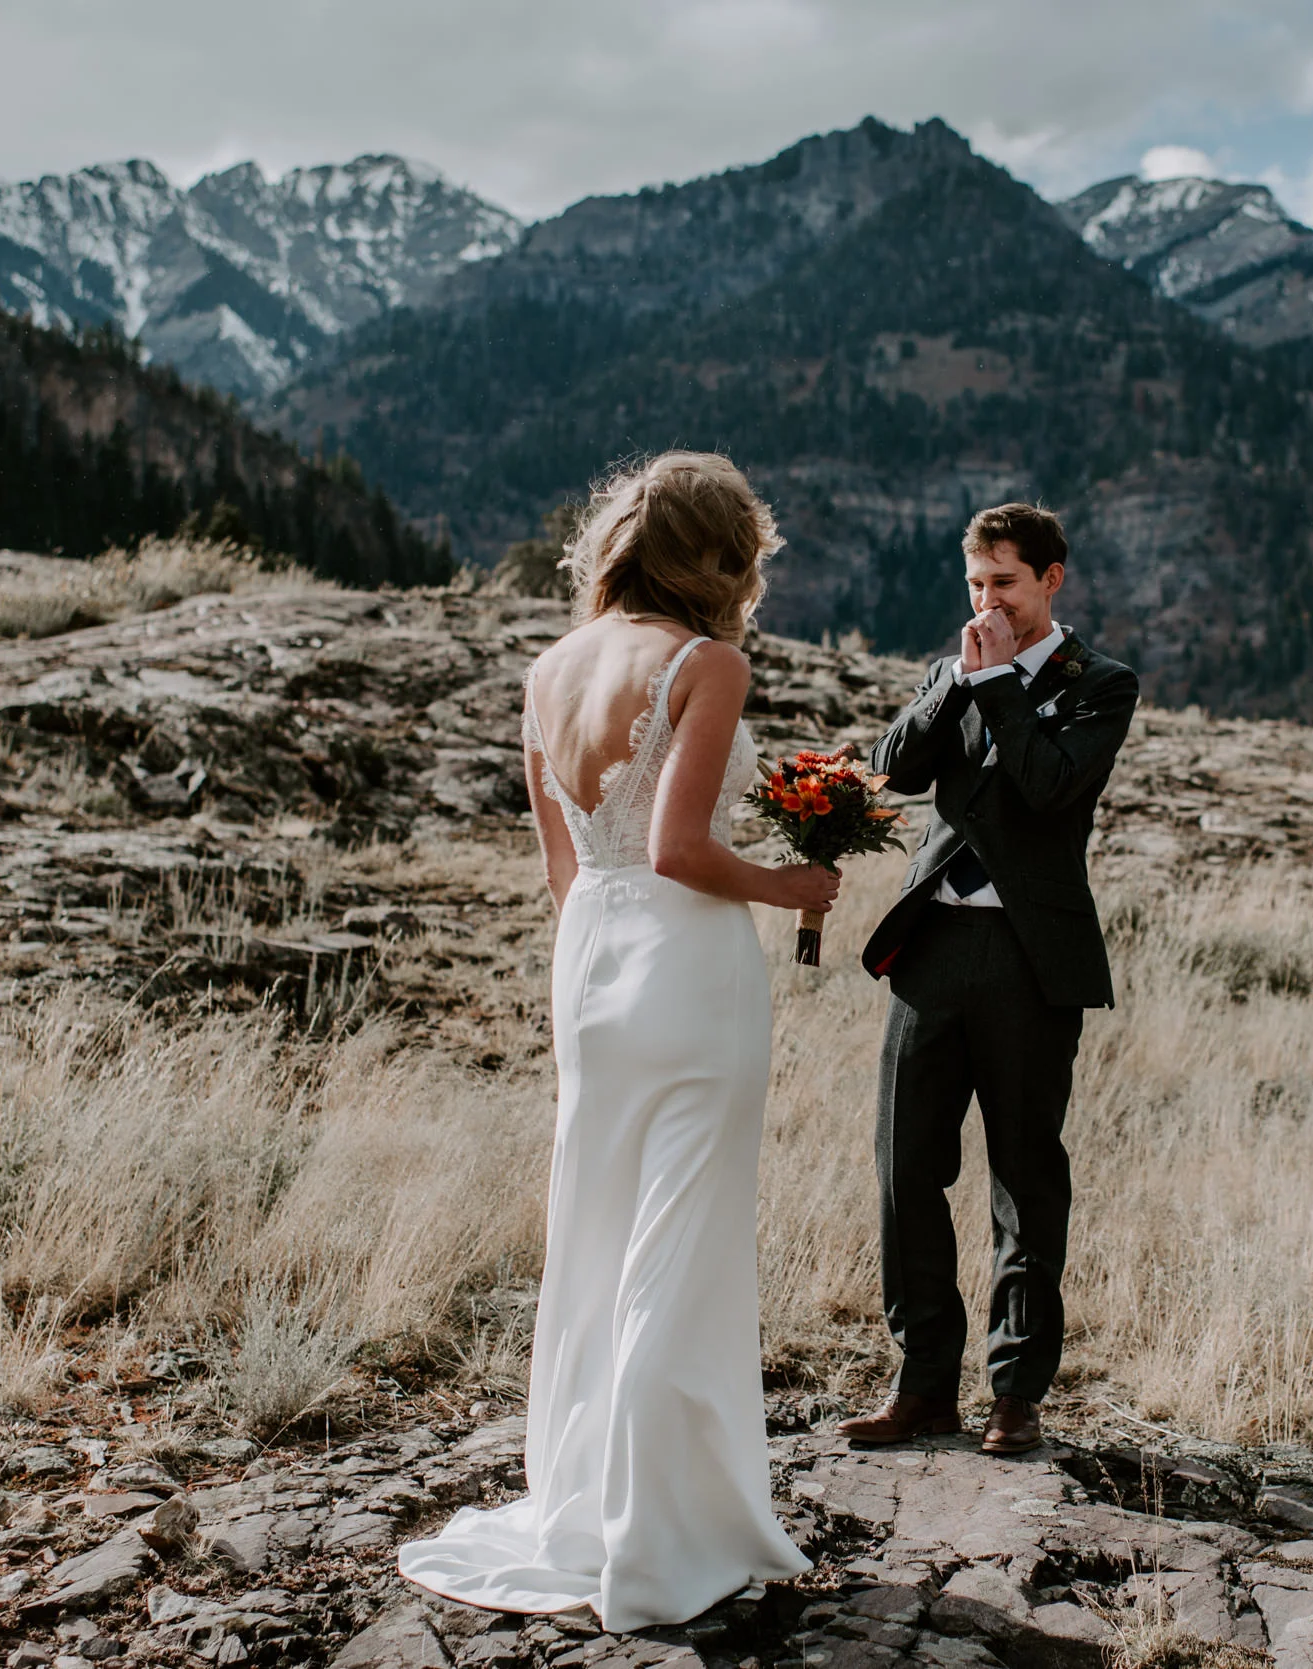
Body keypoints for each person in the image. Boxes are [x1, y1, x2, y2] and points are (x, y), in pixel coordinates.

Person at [397, 452, 835, 1629]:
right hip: (686, 965)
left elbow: (565, 867)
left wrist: (608, 942)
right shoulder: (706, 665)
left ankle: (581, 1503)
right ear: (720, 558)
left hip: (589, 953)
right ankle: (658, 1535)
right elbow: (682, 850)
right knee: (679, 1239)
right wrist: (791, 886)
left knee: (592, 1230)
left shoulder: (550, 667)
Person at [839, 503, 1139, 1457]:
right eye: (975, 584)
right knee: (904, 1165)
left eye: (1004, 582)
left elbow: (1050, 787)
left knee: (1024, 1174)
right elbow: (893, 769)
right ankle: (923, 1383)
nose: (987, 601)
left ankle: (1016, 1393)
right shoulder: (954, 670)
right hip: (931, 946)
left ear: (1051, 579)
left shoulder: (1102, 684)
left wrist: (1004, 683)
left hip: (1029, 956)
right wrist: (957, 686)